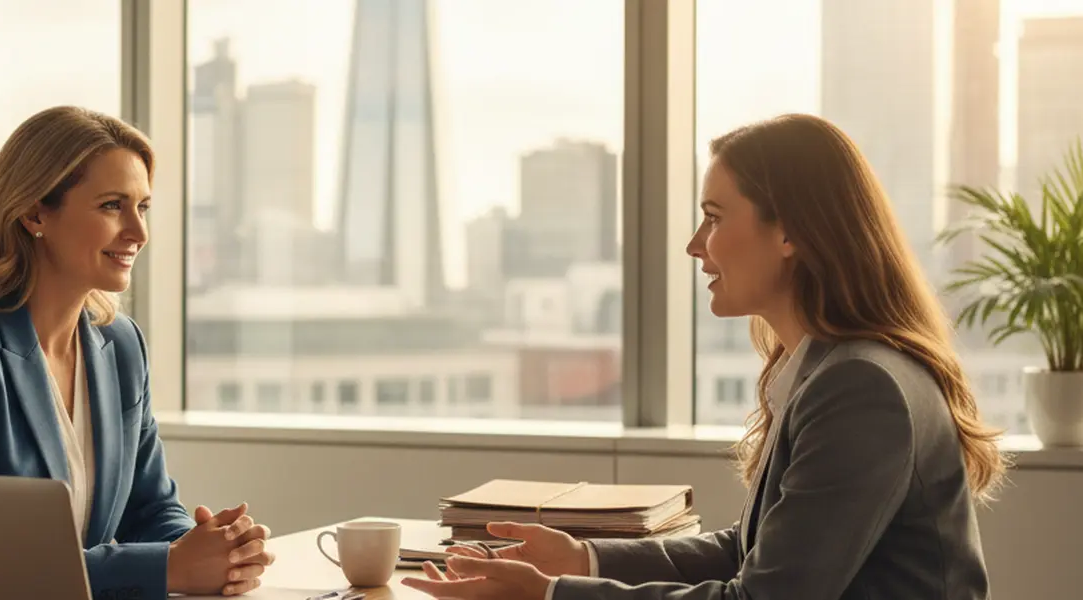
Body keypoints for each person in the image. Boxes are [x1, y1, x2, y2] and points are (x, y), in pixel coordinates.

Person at [402, 114, 1007, 600]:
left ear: (791, 233)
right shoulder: (831, 369)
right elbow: (748, 551)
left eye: (714, 218)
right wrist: (580, 555)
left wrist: (553, 594)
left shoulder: (859, 388)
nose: (695, 245)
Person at [0, 106, 274, 599]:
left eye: (144, 207)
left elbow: (149, 508)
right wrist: (169, 567)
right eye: (113, 205)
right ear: (34, 213)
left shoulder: (121, 345)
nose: (139, 233)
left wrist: (216, 550)